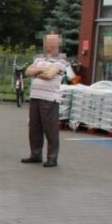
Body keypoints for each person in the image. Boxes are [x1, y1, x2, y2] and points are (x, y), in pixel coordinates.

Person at [21, 34, 70, 168]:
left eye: (52, 43)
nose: (49, 45)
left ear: (57, 44)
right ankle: (35, 154)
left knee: (50, 129)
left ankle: (52, 157)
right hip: (35, 96)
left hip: (50, 99)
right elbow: (27, 72)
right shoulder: (39, 58)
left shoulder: (61, 60)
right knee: (34, 128)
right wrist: (41, 69)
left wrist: (36, 72)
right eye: (47, 42)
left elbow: (50, 75)